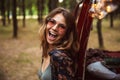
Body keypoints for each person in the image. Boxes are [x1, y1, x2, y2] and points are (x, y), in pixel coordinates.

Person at [38, 7, 79, 80]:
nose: (54, 28)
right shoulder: (47, 48)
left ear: (67, 33)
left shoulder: (60, 57)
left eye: (62, 26)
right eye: (52, 22)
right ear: (47, 22)